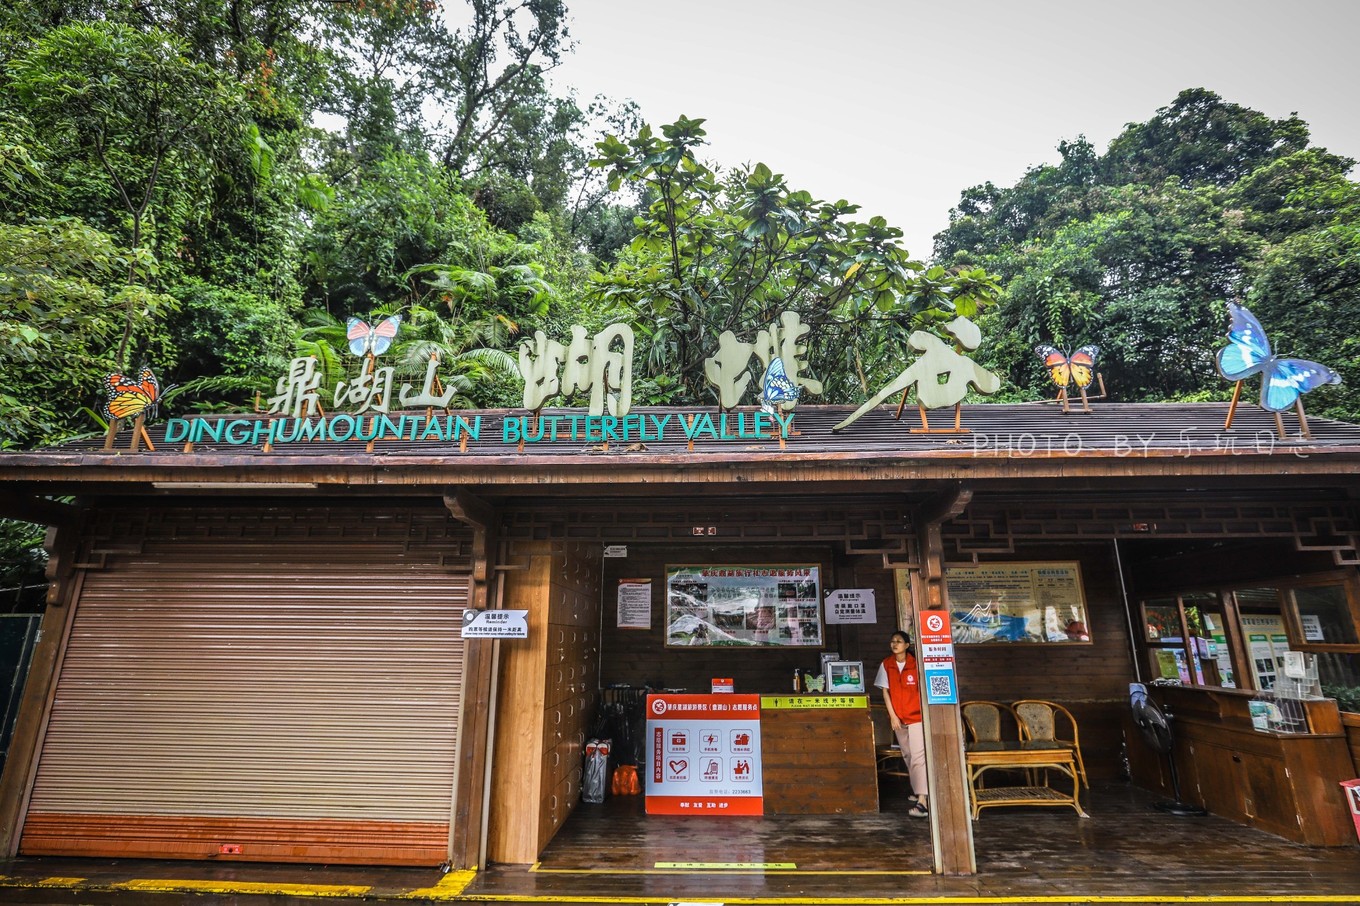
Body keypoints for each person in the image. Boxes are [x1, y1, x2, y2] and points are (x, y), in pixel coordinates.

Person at [874, 630, 928, 818]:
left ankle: (923, 800)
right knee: (907, 754)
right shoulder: (886, 664)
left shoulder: (916, 664)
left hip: (917, 717)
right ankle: (918, 789)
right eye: (892, 641)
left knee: (918, 756)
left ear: (907, 645)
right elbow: (885, 692)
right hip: (899, 718)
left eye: (899, 641)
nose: (894, 644)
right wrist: (893, 716)